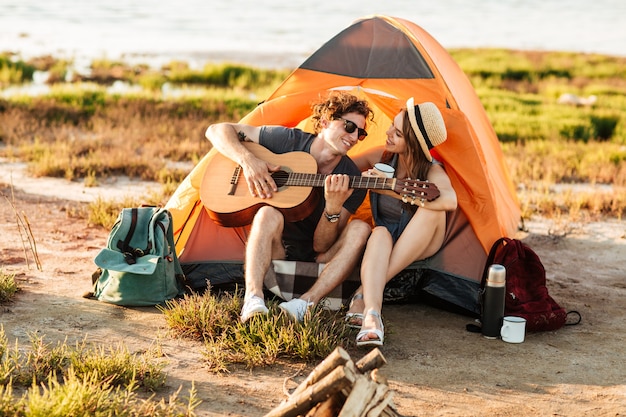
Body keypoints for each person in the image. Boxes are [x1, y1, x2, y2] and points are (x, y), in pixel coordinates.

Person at [204, 91, 374, 323]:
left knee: (361, 229)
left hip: (318, 258)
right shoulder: (287, 141)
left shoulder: (352, 177)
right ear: (325, 122)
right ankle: (253, 300)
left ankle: (305, 304)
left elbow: (321, 245)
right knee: (267, 212)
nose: (354, 137)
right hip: (276, 250)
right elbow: (216, 130)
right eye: (349, 126)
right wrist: (249, 161)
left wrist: (332, 208)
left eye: (361, 133)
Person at [346, 98, 458, 346]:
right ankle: (372, 315)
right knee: (379, 233)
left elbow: (450, 201)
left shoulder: (431, 170)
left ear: (414, 144)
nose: (387, 134)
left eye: (397, 133)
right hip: (387, 235)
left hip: (422, 240)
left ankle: (362, 292)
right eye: (392, 127)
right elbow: (342, 168)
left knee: (433, 209)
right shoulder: (383, 157)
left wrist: (391, 190)